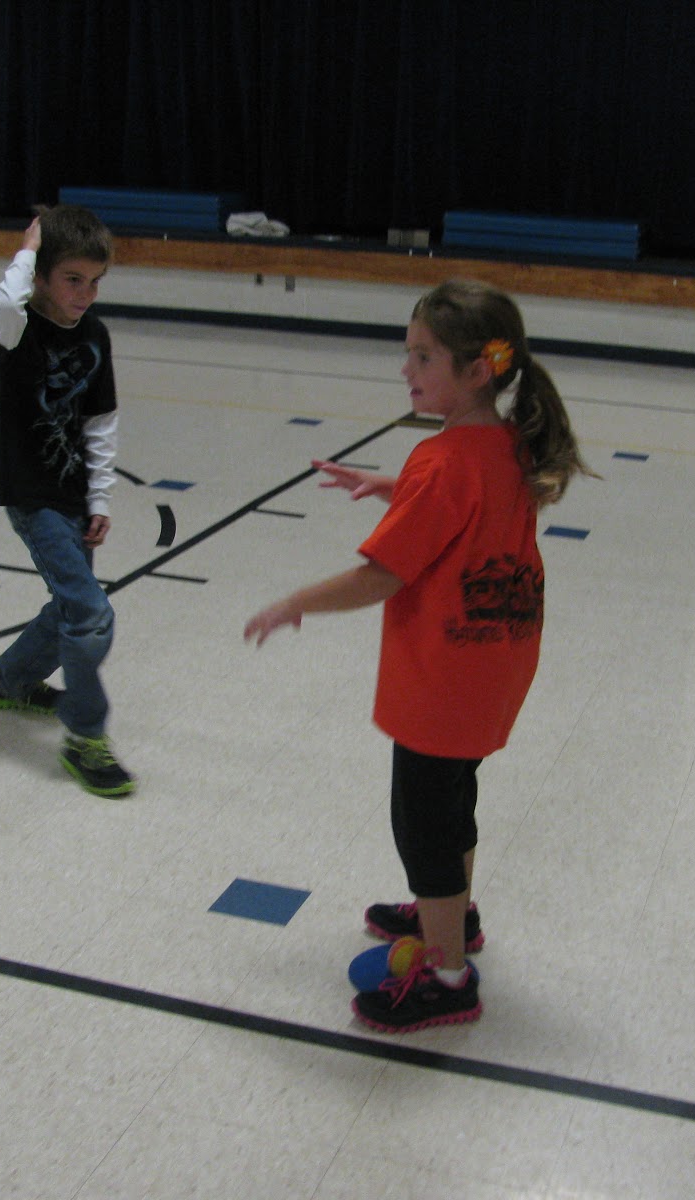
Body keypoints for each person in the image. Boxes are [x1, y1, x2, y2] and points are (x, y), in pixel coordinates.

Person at [244, 279, 592, 1032]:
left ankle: (447, 976)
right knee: (452, 802)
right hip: (493, 667)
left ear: (477, 370)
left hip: (441, 682)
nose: (407, 370)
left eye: (423, 356)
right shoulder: (508, 442)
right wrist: (393, 483)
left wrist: (294, 602)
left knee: (424, 828)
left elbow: (381, 577)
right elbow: (465, 492)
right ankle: (452, 919)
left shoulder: (440, 463)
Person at [0, 205, 134, 797]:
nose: (86, 294)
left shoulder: (95, 335)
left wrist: (100, 498)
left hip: (73, 494)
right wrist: (27, 249)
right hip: (31, 496)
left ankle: (9, 682)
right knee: (91, 613)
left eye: (96, 282)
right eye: (73, 279)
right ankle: (86, 737)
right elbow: (7, 304)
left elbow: (100, 421)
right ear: (41, 274)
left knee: (69, 606)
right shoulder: (14, 328)